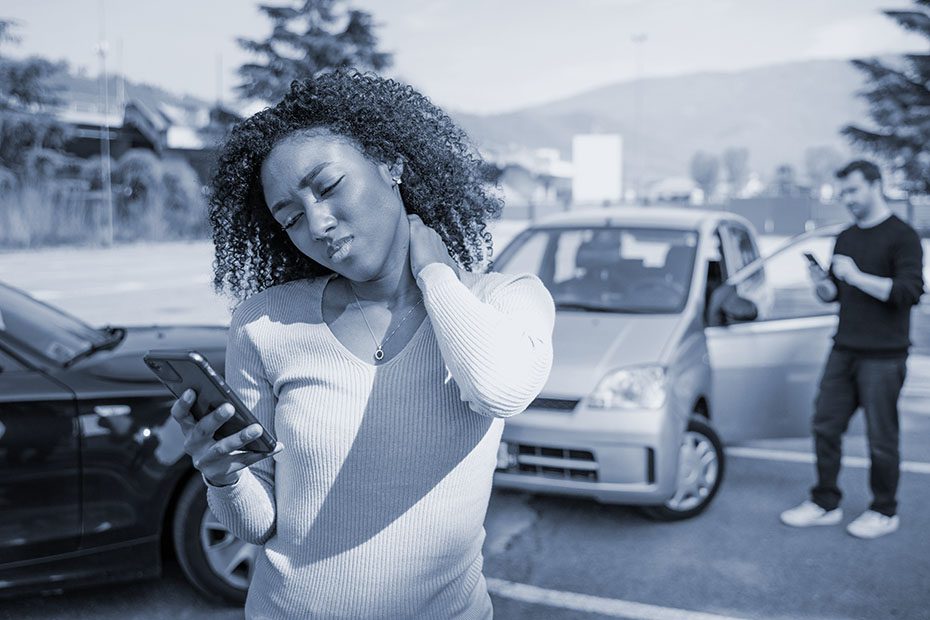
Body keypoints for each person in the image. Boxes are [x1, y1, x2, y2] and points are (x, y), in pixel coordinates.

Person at [169, 69, 555, 618]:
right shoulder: (266, 323)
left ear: (389, 163)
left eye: (328, 187)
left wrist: (437, 277)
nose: (319, 224)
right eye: (292, 218)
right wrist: (222, 475)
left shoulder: (507, 299)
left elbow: (498, 390)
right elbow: (259, 524)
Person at [780, 160, 924, 539]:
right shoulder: (845, 238)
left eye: (853, 190)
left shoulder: (902, 236)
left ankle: (884, 510)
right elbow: (836, 295)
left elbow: (909, 293)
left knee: (881, 437)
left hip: (885, 356)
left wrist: (856, 276)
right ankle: (825, 501)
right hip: (844, 349)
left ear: (876, 185)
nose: (847, 199)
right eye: (842, 192)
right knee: (824, 426)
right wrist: (822, 284)